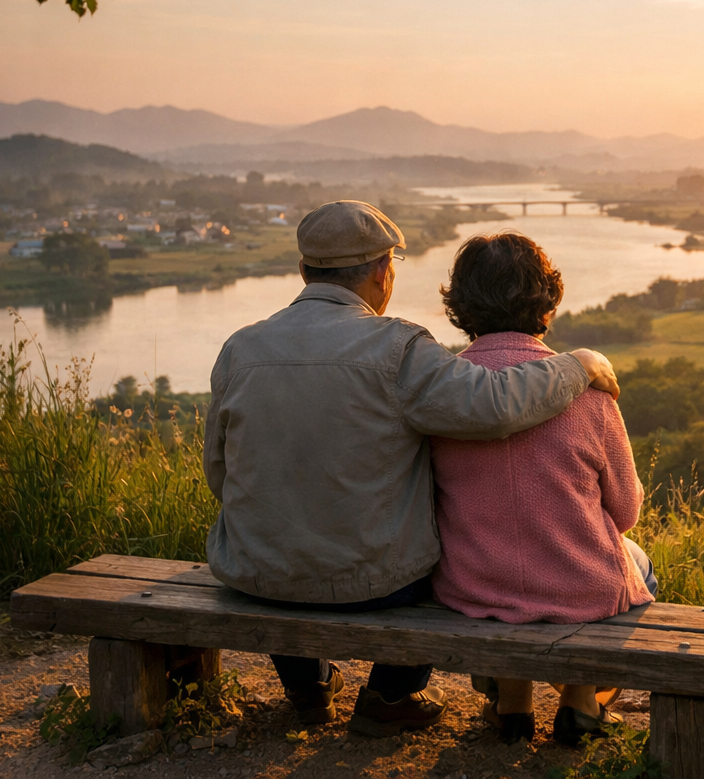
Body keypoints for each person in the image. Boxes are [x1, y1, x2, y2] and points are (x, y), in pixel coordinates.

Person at [203, 201, 621, 737]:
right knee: (447, 554)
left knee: (289, 539)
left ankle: (307, 686)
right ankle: (390, 695)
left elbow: (219, 469)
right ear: (383, 271)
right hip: (377, 585)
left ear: (305, 271)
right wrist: (577, 364)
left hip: (254, 572)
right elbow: (493, 405)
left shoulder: (241, 348)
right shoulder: (397, 348)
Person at [430, 233, 657, 746]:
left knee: (508, 559)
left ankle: (512, 704)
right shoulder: (591, 393)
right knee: (637, 561)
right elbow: (624, 512)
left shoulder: (443, 389)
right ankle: (579, 702)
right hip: (579, 587)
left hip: (472, 584)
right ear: (546, 300)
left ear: (460, 304)